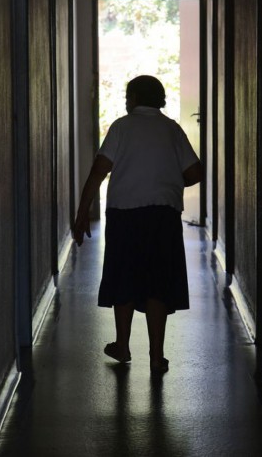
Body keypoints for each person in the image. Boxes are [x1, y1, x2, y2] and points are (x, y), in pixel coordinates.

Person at [72, 75, 203, 375]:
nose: (125, 102)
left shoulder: (121, 127)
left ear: (133, 99)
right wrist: (171, 181)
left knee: (125, 277)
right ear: (159, 99)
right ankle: (156, 356)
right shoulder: (172, 129)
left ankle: (122, 345)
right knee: (158, 283)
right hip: (163, 215)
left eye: (127, 96)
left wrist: (82, 211)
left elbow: (99, 170)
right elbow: (195, 171)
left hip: (125, 214)